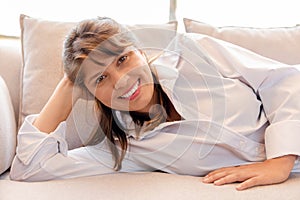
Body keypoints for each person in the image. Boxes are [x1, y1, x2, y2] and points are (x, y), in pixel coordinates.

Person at [10, 17, 300, 191]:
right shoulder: (126, 151)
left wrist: (280, 161)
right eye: (102, 79)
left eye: (123, 59)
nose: (122, 81)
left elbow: (285, 80)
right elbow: (31, 168)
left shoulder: (192, 54)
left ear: (139, 48)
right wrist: (71, 82)